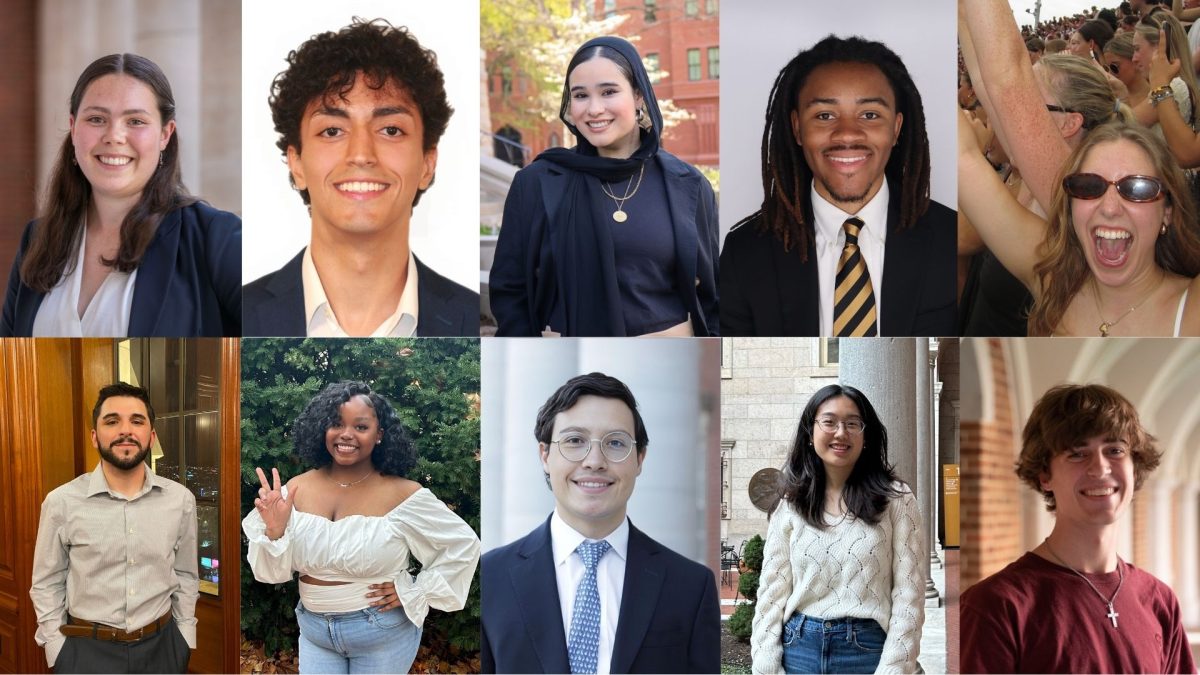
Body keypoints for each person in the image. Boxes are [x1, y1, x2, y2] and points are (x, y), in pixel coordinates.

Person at [242, 19, 479, 337]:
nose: (361, 153)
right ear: (296, 163)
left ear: (427, 162)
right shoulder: (231, 315)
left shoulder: (479, 319)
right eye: (332, 131)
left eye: (391, 130)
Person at [480, 372, 720, 673]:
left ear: (640, 459)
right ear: (545, 454)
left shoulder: (690, 586)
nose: (594, 460)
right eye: (575, 440)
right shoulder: (490, 578)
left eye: (616, 443)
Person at [719, 35, 956, 337]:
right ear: (797, 128)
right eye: (824, 115)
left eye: (869, 115)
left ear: (896, 129)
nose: (846, 134)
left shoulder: (949, 238)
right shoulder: (745, 253)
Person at [243, 381, 480, 674]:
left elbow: (462, 545)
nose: (346, 434)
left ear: (379, 435)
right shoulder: (295, 489)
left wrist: (417, 591)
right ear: (322, 429)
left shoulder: (404, 494)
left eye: (361, 426)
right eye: (335, 423)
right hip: (315, 632)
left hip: (381, 632)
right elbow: (269, 574)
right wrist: (275, 532)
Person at [488, 37, 719, 337]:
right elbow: (510, 291)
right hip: (570, 355)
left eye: (608, 92)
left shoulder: (687, 184)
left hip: (670, 354)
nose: (594, 109)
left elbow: (712, 294)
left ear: (638, 95)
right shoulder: (537, 183)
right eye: (580, 95)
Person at [960, 384, 1196, 673]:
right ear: (1045, 474)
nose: (1100, 468)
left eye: (1115, 450)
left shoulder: (1160, 601)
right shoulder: (995, 607)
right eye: (1077, 454)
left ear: (1135, 467)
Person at [1, 54, 240, 337]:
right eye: (97, 119)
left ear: (165, 134)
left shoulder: (215, 237)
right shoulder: (37, 239)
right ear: (74, 128)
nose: (114, 136)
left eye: (135, 121)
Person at [960, 117, 1200, 335]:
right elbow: (964, 159)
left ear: (1167, 212)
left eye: (1137, 189)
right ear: (1071, 206)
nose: (1109, 208)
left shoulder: (1191, 310)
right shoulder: (1054, 281)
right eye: (1088, 186)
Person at [750, 384, 923, 674]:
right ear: (810, 433)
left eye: (852, 423)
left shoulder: (896, 498)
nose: (841, 432)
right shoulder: (790, 503)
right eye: (829, 422)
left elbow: (910, 595)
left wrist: (895, 668)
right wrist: (766, 667)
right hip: (798, 650)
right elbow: (771, 594)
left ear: (866, 435)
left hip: (868, 652)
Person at [29, 382, 198, 673]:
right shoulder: (61, 503)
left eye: (136, 421)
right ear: (95, 437)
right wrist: (57, 650)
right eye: (112, 421)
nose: (125, 430)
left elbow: (185, 574)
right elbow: (46, 583)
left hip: (162, 650)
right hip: (84, 654)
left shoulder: (180, 500)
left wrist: (184, 638)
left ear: (151, 435)